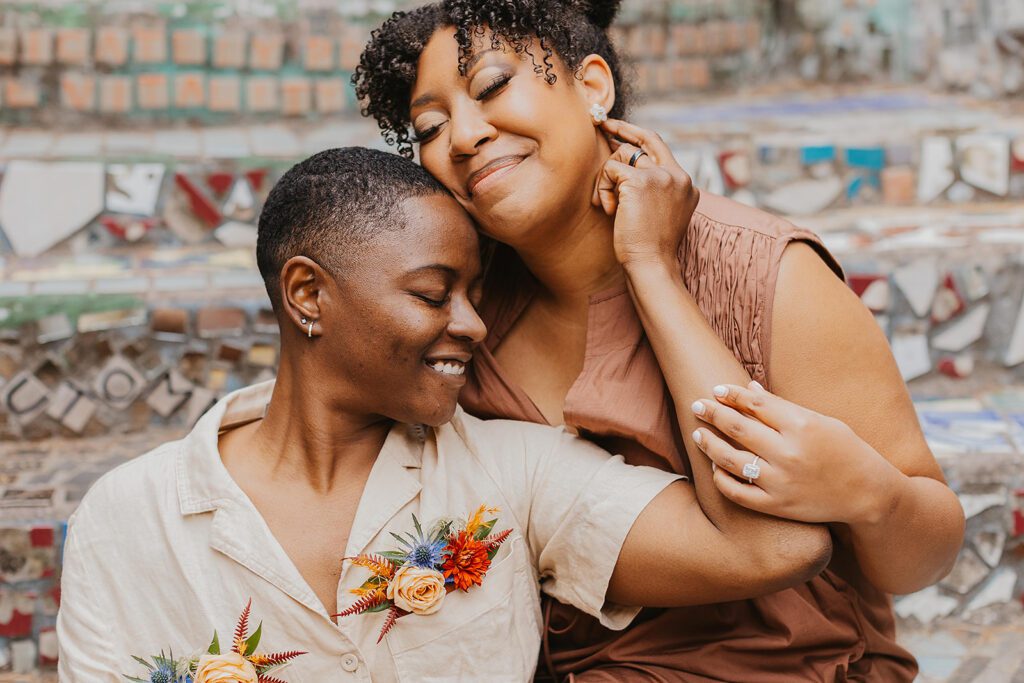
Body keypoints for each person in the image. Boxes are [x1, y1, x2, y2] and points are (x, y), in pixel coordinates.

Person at [354, 1, 966, 680]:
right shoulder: (459, 316)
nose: (463, 136)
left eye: (494, 86)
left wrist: (869, 492)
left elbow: (924, 558)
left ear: (592, 87)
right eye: (430, 127)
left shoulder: (764, 273)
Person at [57, 148, 830, 682]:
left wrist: (653, 270)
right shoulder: (131, 517)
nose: (473, 323)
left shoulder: (514, 472)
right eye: (434, 294)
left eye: (473, 292)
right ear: (306, 295)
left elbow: (772, 543)